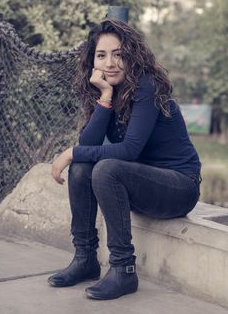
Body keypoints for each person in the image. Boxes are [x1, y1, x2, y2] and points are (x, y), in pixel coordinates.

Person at [47, 19, 201, 300]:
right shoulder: (106, 89)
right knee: (82, 167)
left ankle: (123, 269)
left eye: (119, 54)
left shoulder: (147, 86)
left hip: (179, 187)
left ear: (132, 55)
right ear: (92, 61)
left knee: (106, 168)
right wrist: (104, 98)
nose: (111, 63)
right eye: (102, 55)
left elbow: (128, 151)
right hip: (143, 181)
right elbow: (89, 145)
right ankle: (85, 258)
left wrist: (70, 152)